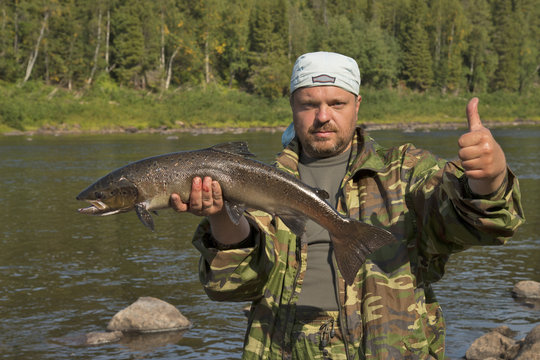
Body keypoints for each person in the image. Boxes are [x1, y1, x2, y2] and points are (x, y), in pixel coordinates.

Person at [170, 52, 525, 359]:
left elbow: (478, 223)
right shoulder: (256, 181)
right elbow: (232, 287)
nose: (323, 116)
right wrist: (220, 214)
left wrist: (487, 180)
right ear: (292, 105)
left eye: (336, 104)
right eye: (309, 104)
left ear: (357, 105)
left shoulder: (405, 172)